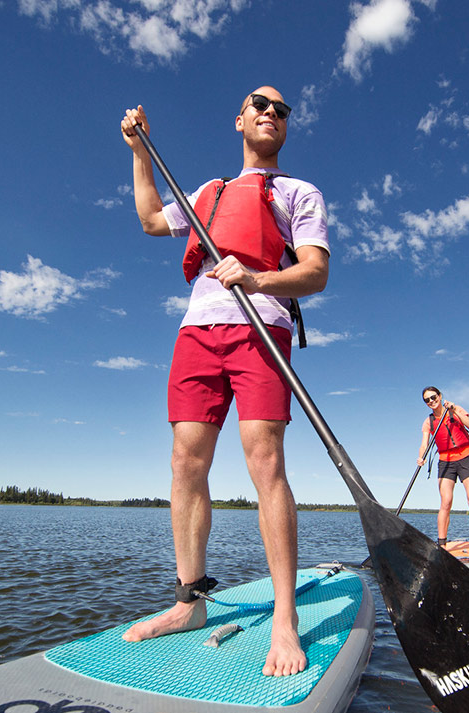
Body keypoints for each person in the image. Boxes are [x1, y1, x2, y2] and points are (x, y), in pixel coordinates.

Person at [119, 87, 330, 677]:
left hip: (261, 328)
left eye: (281, 110)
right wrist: (139, 150)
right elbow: (150, 219)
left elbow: (314, 272)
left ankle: (284, 620)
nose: (271, 112)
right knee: (186, 462)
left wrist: (261, 279)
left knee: (265, 462)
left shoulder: (298, 192)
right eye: (259, 104)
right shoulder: (207, 193)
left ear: (285, 127)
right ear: (239, 119)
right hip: (198, 333)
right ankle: (189, 602)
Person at [417, 386, 469, 554]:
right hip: (445, 461)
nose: (431, 401)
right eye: (427, 400)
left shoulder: (455, 410)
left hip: (466, 457)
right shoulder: (428, 422)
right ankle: (442, 544)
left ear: (440, 396)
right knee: (445, 501)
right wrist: (421, 457)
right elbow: (424, 443)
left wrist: (455, 410)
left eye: (433, 397)